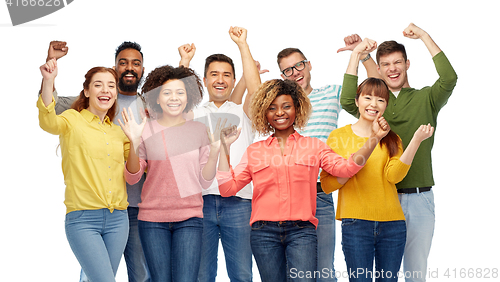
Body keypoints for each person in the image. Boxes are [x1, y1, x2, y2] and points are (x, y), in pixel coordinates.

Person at [215, 75, 391, 282]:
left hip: (302, 232)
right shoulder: (254, 151)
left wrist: (374, 139)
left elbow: (346, 169)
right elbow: (228, 189)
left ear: (297, 109)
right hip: (264, 233)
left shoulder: (314, 146)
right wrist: (224, 148)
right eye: (272, 108)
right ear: (264, 113)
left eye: (286, 106)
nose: (279, 112)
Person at [339, 23, 458, 282]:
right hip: (382, 198)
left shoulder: (426, 98)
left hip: (418, 198)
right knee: (384, 276)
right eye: (386, 64)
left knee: (415, 274)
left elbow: (449, 78)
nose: (393, 68)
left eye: (398, 62)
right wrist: (357, 57)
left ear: (407, 64)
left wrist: (425, 36)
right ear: (379, 69)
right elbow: (348, 100)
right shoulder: (377, 105)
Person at [46, 41, 150, 282]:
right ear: (115, 68)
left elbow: (176, 102)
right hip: (92, 208)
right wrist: (51, 65)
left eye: (136, 63)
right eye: (123, 62)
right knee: (98, 276)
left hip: (137, 207)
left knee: (140, 275)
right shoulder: (88, 105)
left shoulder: (149, 106)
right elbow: (49, 106)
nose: (129, 67)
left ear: (142, 69)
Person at [276, 39, 377, 281]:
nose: (295, 72)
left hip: (320, 192)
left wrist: (360, 56)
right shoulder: (282, 107)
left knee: (323, 270)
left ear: (309, 65)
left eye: (298, 65)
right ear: (283, 76)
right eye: (287, 70)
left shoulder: (332, 93)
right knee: (293, 272)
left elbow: (375, 88)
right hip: (286, 193)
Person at [321, 77, 434, 281]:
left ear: (385, 106)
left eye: (381, 100)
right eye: (368, 97)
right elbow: (328, 184)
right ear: (357, 101)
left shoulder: (393, 138)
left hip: (392, 224)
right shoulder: (338, 136)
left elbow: (394, 176)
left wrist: (415, 141)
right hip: (355, 224)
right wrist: (348, 171)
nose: (374, 104)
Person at [119, 65, 220, 282]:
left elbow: (204, 180)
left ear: (188, 97)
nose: (174, 98)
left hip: (190, 219)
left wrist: (215, 153)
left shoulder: (200, 130)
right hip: (152, 221)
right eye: (167, 92)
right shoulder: (146, 129)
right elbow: (132, 177)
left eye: (180, 92)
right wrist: (134, 143)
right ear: (157, 97)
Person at [179, 27, 259, 282]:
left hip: (239, 202)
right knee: (201, 275)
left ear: (235, 80)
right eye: (214, 74)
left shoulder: (243, 111)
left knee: (242, 274)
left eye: (227, 75)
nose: (220, 79)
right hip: (199, 203)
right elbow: (175, 96)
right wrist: (185, 62)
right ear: (204, 80)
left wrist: (243, 45)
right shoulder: (193, 113)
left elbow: (257, 91)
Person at [38, 58, 130, 282]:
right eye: (98, 84)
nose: (105, 89)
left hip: (118, 220)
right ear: (87, 92)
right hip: (83, 219)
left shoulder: (120, 132)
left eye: (111, 85)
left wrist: (138, 139)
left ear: (116, 94)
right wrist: (48, 81)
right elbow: (48, 122)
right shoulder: (72, 119)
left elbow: (135, 171)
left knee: (93, 279)